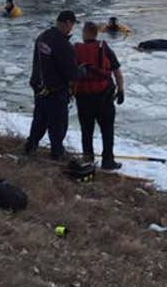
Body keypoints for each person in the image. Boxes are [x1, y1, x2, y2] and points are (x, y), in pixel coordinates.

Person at [25, 10, 80, 160]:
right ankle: (57, 152)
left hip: (39, 87)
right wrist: (83, 72)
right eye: (72, 25)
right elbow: (71, 72)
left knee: (40, 119)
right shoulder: (63, 44)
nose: (72, 28)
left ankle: (30, 146)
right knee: (58, 123)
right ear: (68, 23)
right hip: (55, 90)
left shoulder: (42, 37)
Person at [72, 22, 125, 170]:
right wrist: (120, 91)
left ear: (85, 33)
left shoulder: (76, 49)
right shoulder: (104, 48)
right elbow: (117, 73)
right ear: (96, 33)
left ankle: (88, 159)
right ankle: (108, 160)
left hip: (83, 97)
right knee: (107, 130)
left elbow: (70, 73)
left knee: (86, 130)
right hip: (104, 97)